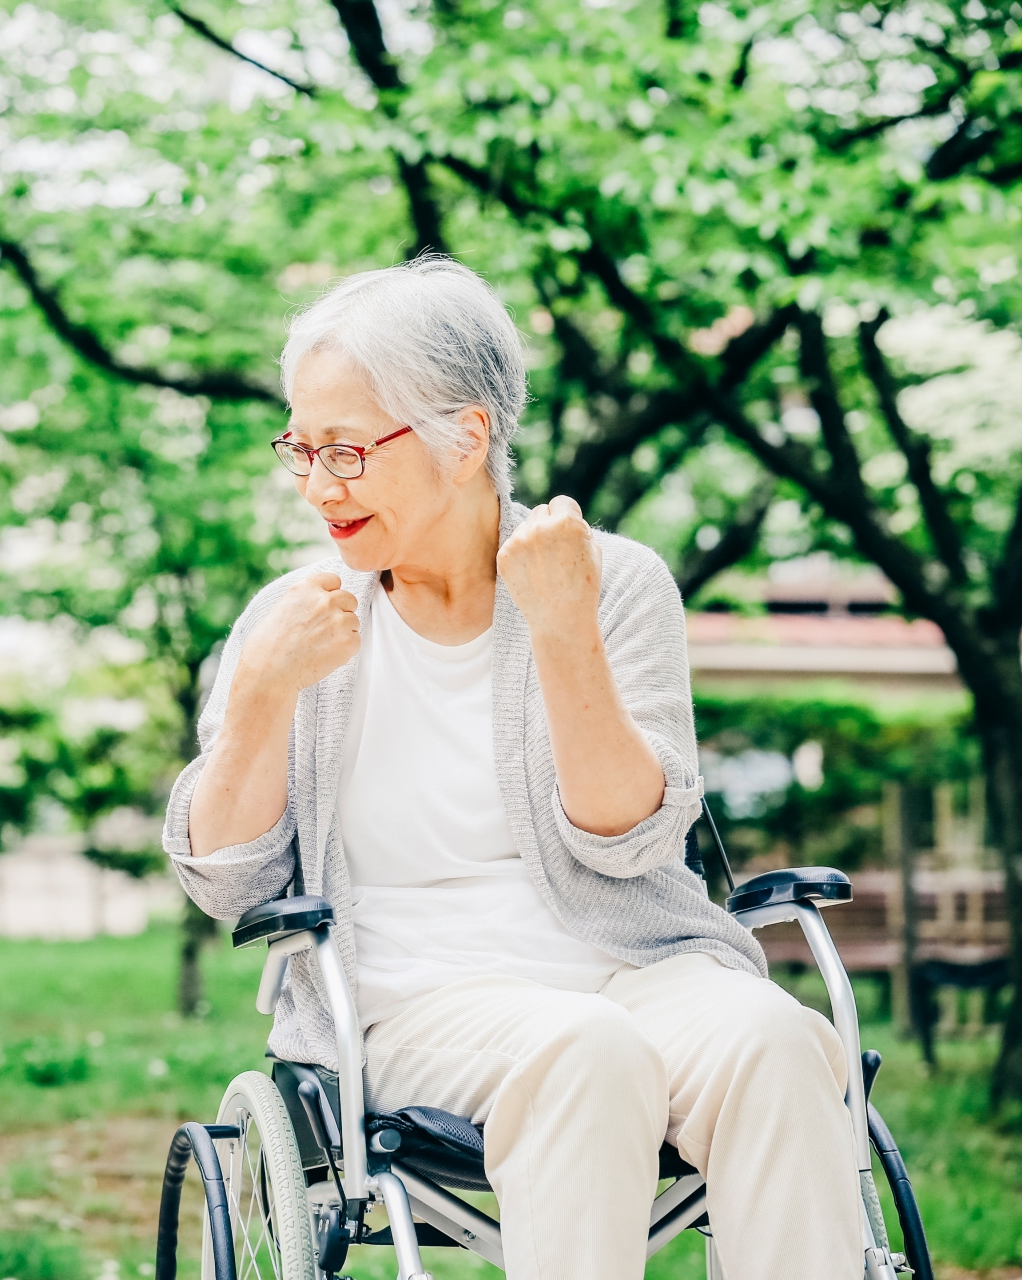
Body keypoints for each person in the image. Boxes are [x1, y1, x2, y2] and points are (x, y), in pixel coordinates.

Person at [165, 258, 864, 1280]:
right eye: (301, 448)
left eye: (347, 450)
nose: (318, 485)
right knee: (582, 1046)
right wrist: (261, 695)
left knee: (773, 1034)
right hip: (410, 1002)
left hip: (640, 965)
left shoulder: (610, 582)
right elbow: (225, 880)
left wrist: (563, 627)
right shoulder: (296, 619)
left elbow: (628, 832)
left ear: (467, 436)